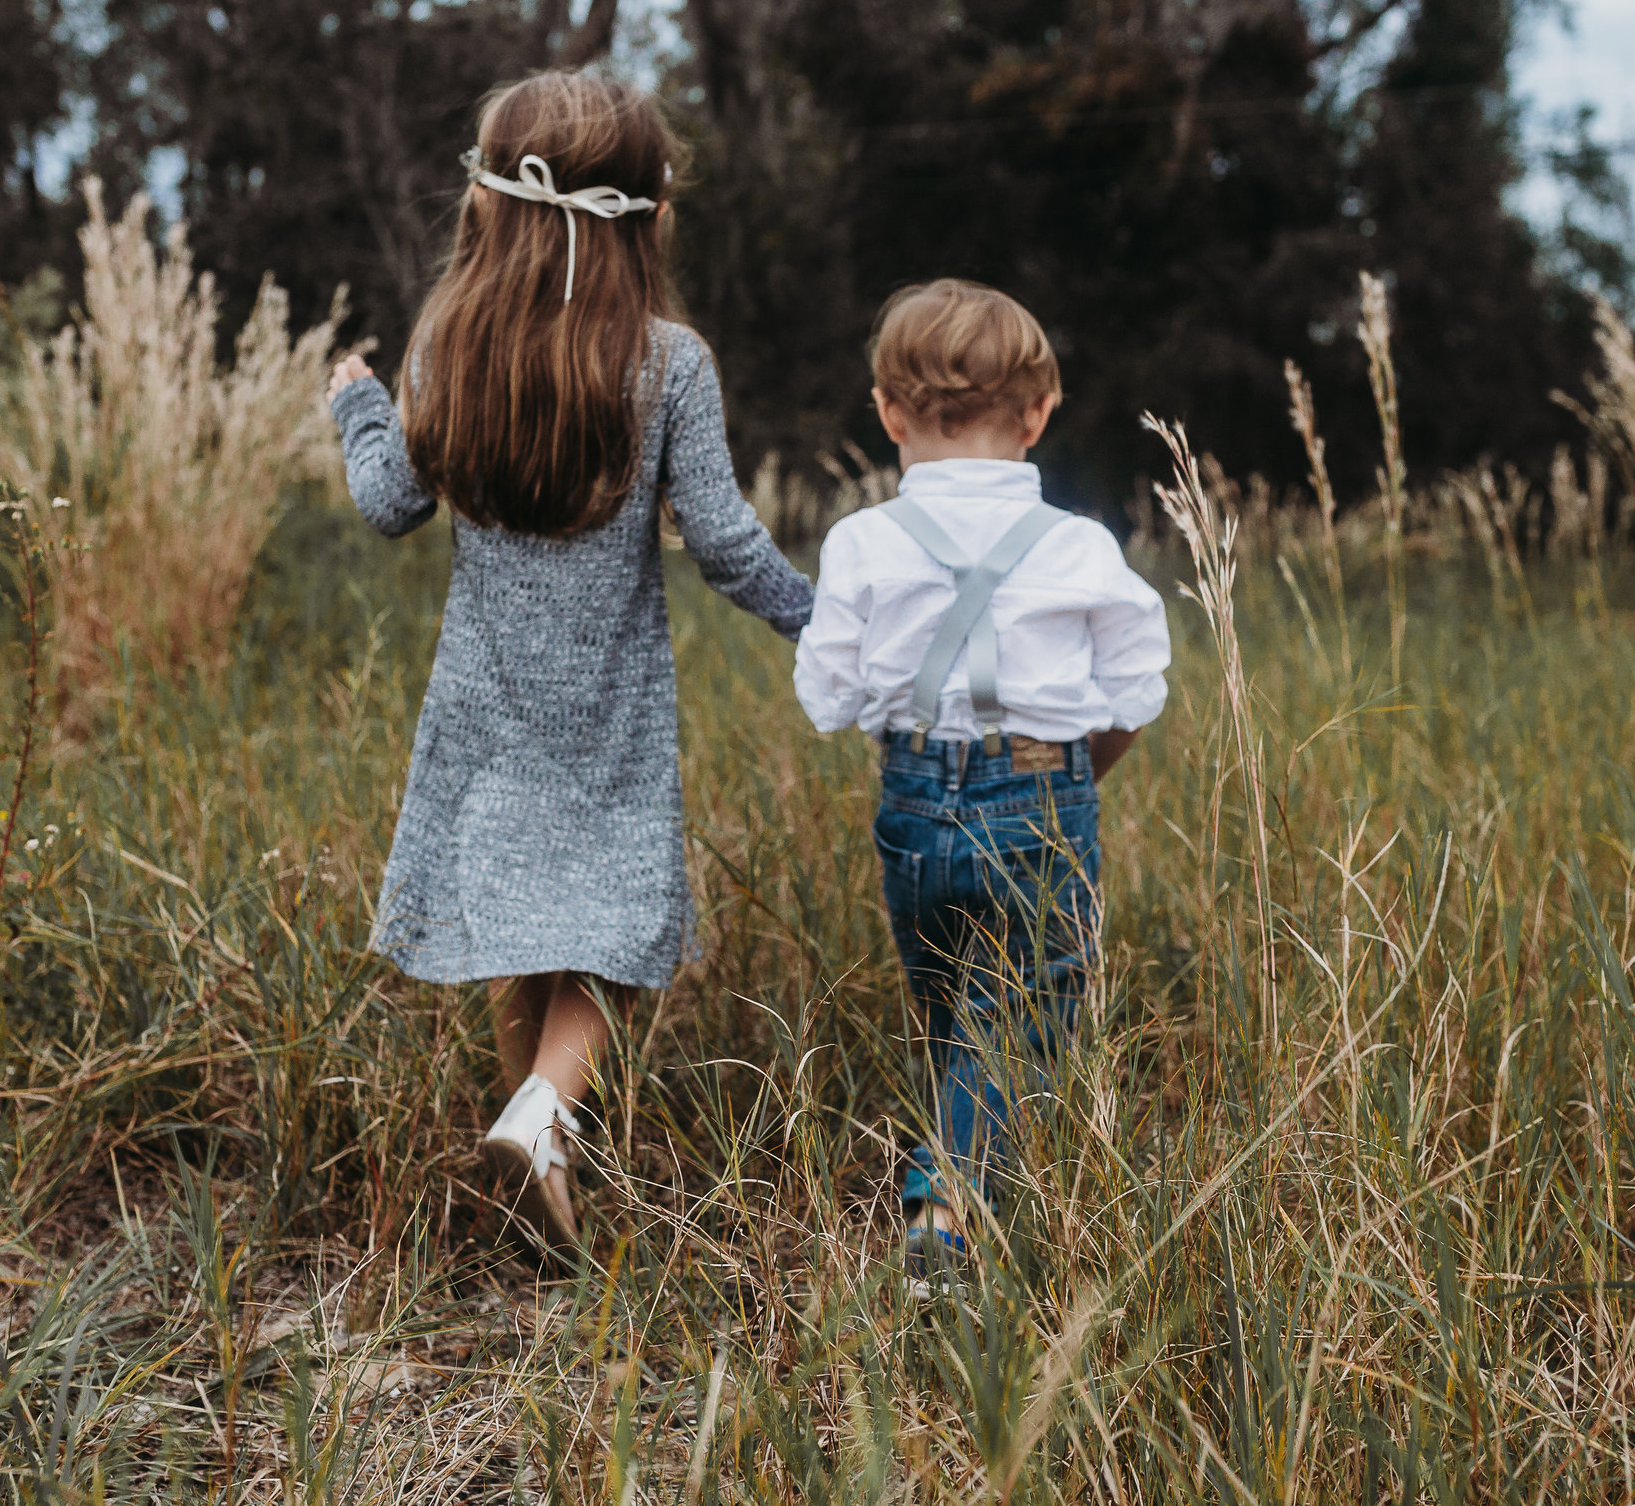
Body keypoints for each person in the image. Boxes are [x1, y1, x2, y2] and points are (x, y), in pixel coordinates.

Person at [326, 71, 813, 1248]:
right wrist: (828, 619)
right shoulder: (669, 361)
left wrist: (354, 406)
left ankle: (534, 1148)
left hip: (484, 702)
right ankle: (544, 1118)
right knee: (618, 924)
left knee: (514, 924)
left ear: (489, 207)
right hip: (609, 707)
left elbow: (391, 502)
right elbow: (727, 543)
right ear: (648, 219)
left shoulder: (448, 341)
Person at [792, 279, 1169, 1294]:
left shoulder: (861, 541)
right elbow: (1138, 687)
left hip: (912, 801)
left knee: (953, 1011)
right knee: (1020, 1018)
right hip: (1045, 795)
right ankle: (946, 1217)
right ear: (1041, 413)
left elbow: (826, 698)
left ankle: (954, 1202)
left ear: (888, 412)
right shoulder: (1081, 545)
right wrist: (1070, 776)